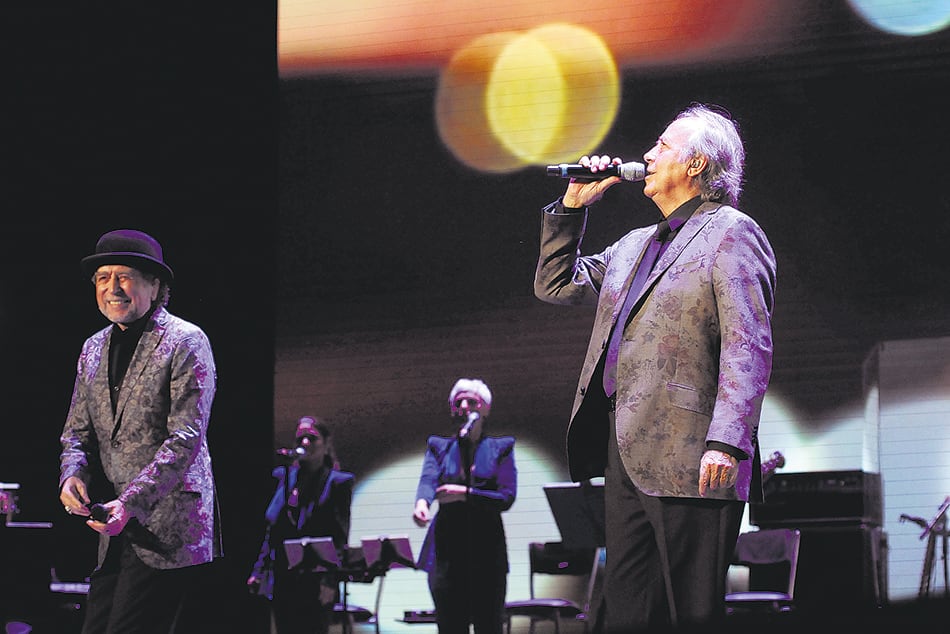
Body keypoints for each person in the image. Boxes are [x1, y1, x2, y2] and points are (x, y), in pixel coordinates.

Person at [534, 103, 776, 632]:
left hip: (694, 452)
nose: (647, 153)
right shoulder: (632, 246)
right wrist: (573, 205)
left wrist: (728, 441)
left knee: (689, 612)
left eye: (663, 145)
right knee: (629, 611)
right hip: (626, 450)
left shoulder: (731, 232)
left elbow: (747, 342)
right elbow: (556, 285)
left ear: (696, 164)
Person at [58, 228, 222, 634]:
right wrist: (72, 473)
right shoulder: (92, 348)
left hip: (167, 525)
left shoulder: (185, 340)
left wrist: (130, 502)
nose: (112, 287)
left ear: (155, 285)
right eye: (102, 278)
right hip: (115, 529)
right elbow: (76, 431)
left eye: (124, 276)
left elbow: (185, 438)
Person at [412, 379, 517, 634]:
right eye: (457, 402)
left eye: (471, 401)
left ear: (485, 409)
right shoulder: (439, 446)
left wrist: (465, 494)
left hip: (487, 552)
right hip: (446, 552)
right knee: (450, 627)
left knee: (488, 626)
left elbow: (506, 497)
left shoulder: (501, 447)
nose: (463, 406)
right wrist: (422, 503)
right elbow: (429, 478)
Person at [247, 416, 354, 634]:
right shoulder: (284, 477)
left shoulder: (338, 482)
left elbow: (340, 536)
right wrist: (258, 571)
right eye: (300, 438)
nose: (305, 443)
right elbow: (272, 530)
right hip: (284, 574)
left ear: (326, 444)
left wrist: (330, 581)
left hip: (317, 575)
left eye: (312, 438)